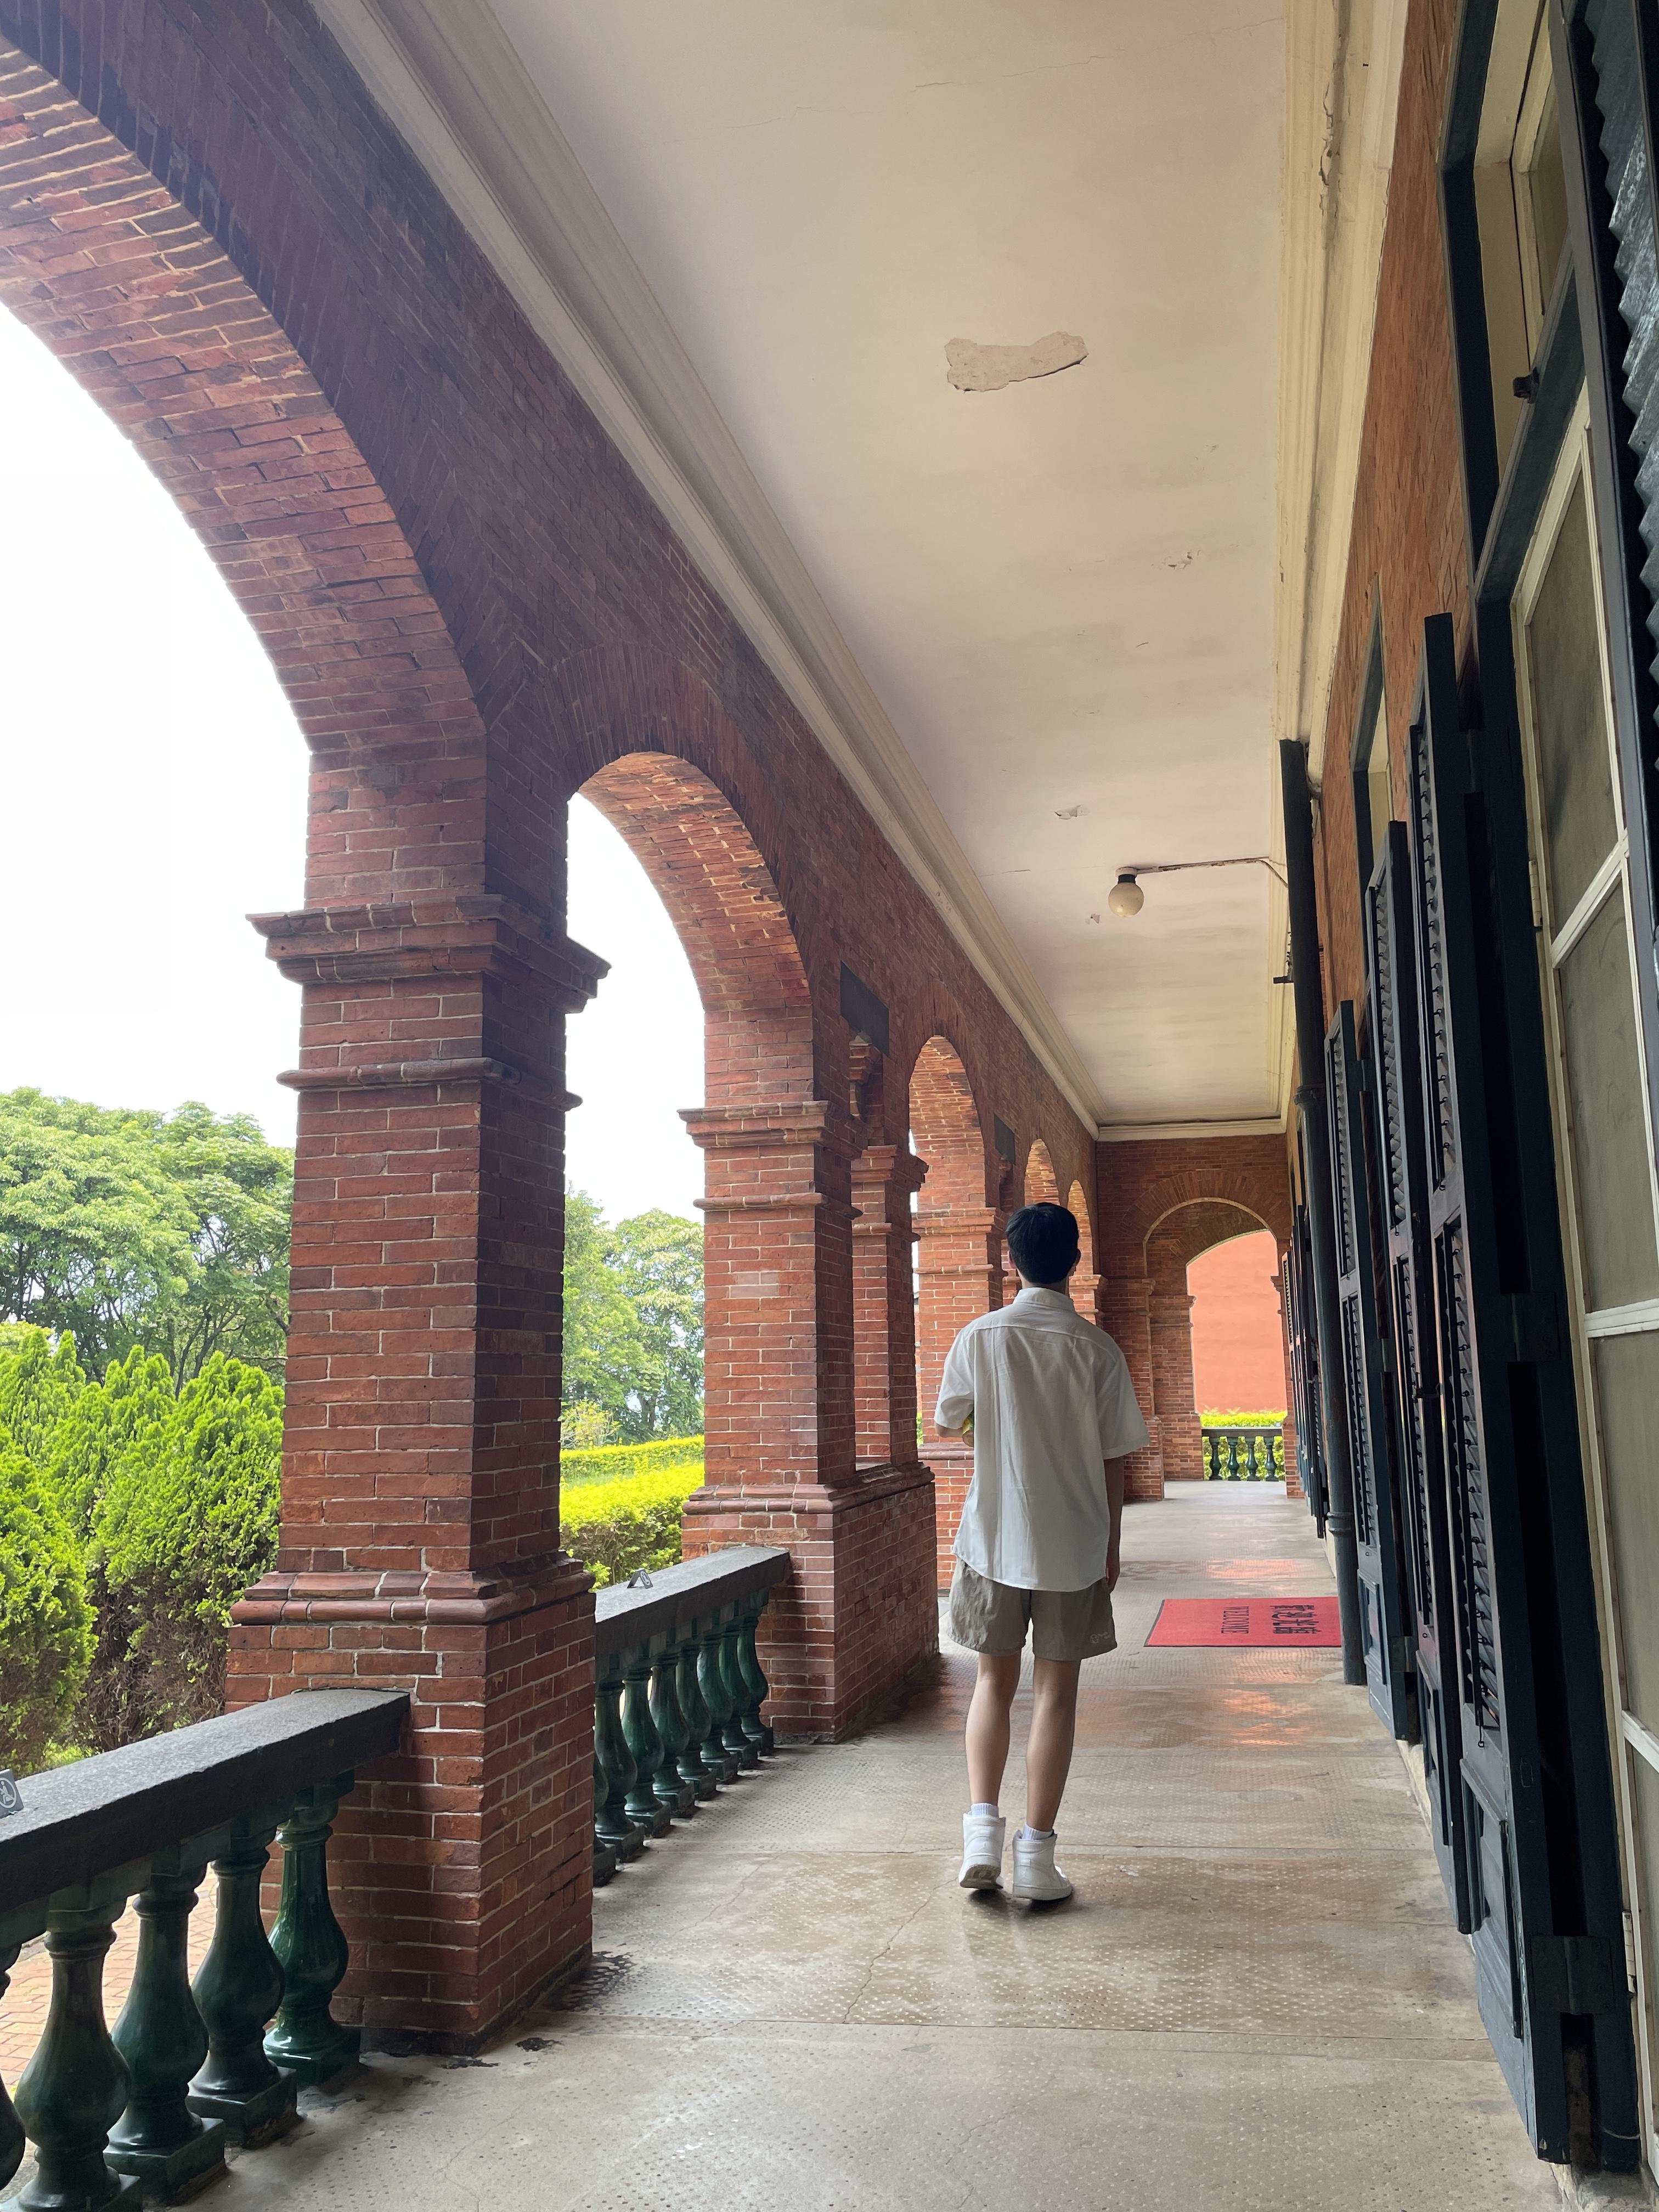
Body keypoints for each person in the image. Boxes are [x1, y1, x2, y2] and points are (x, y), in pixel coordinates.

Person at [935, 1200, 1149, 1903]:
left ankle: (980, 1835)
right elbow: (1115, 1457)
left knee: (991, 1684)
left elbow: (949, 1423)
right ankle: (1035, 1856)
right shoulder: (1097, 1348)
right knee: (1056, 1693)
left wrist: (997, 1435)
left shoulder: (979, 1337)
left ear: (1011, 1260)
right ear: (1075, 1263)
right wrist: (1112, 1545)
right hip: (1074, 1545)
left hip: (992, 1538)